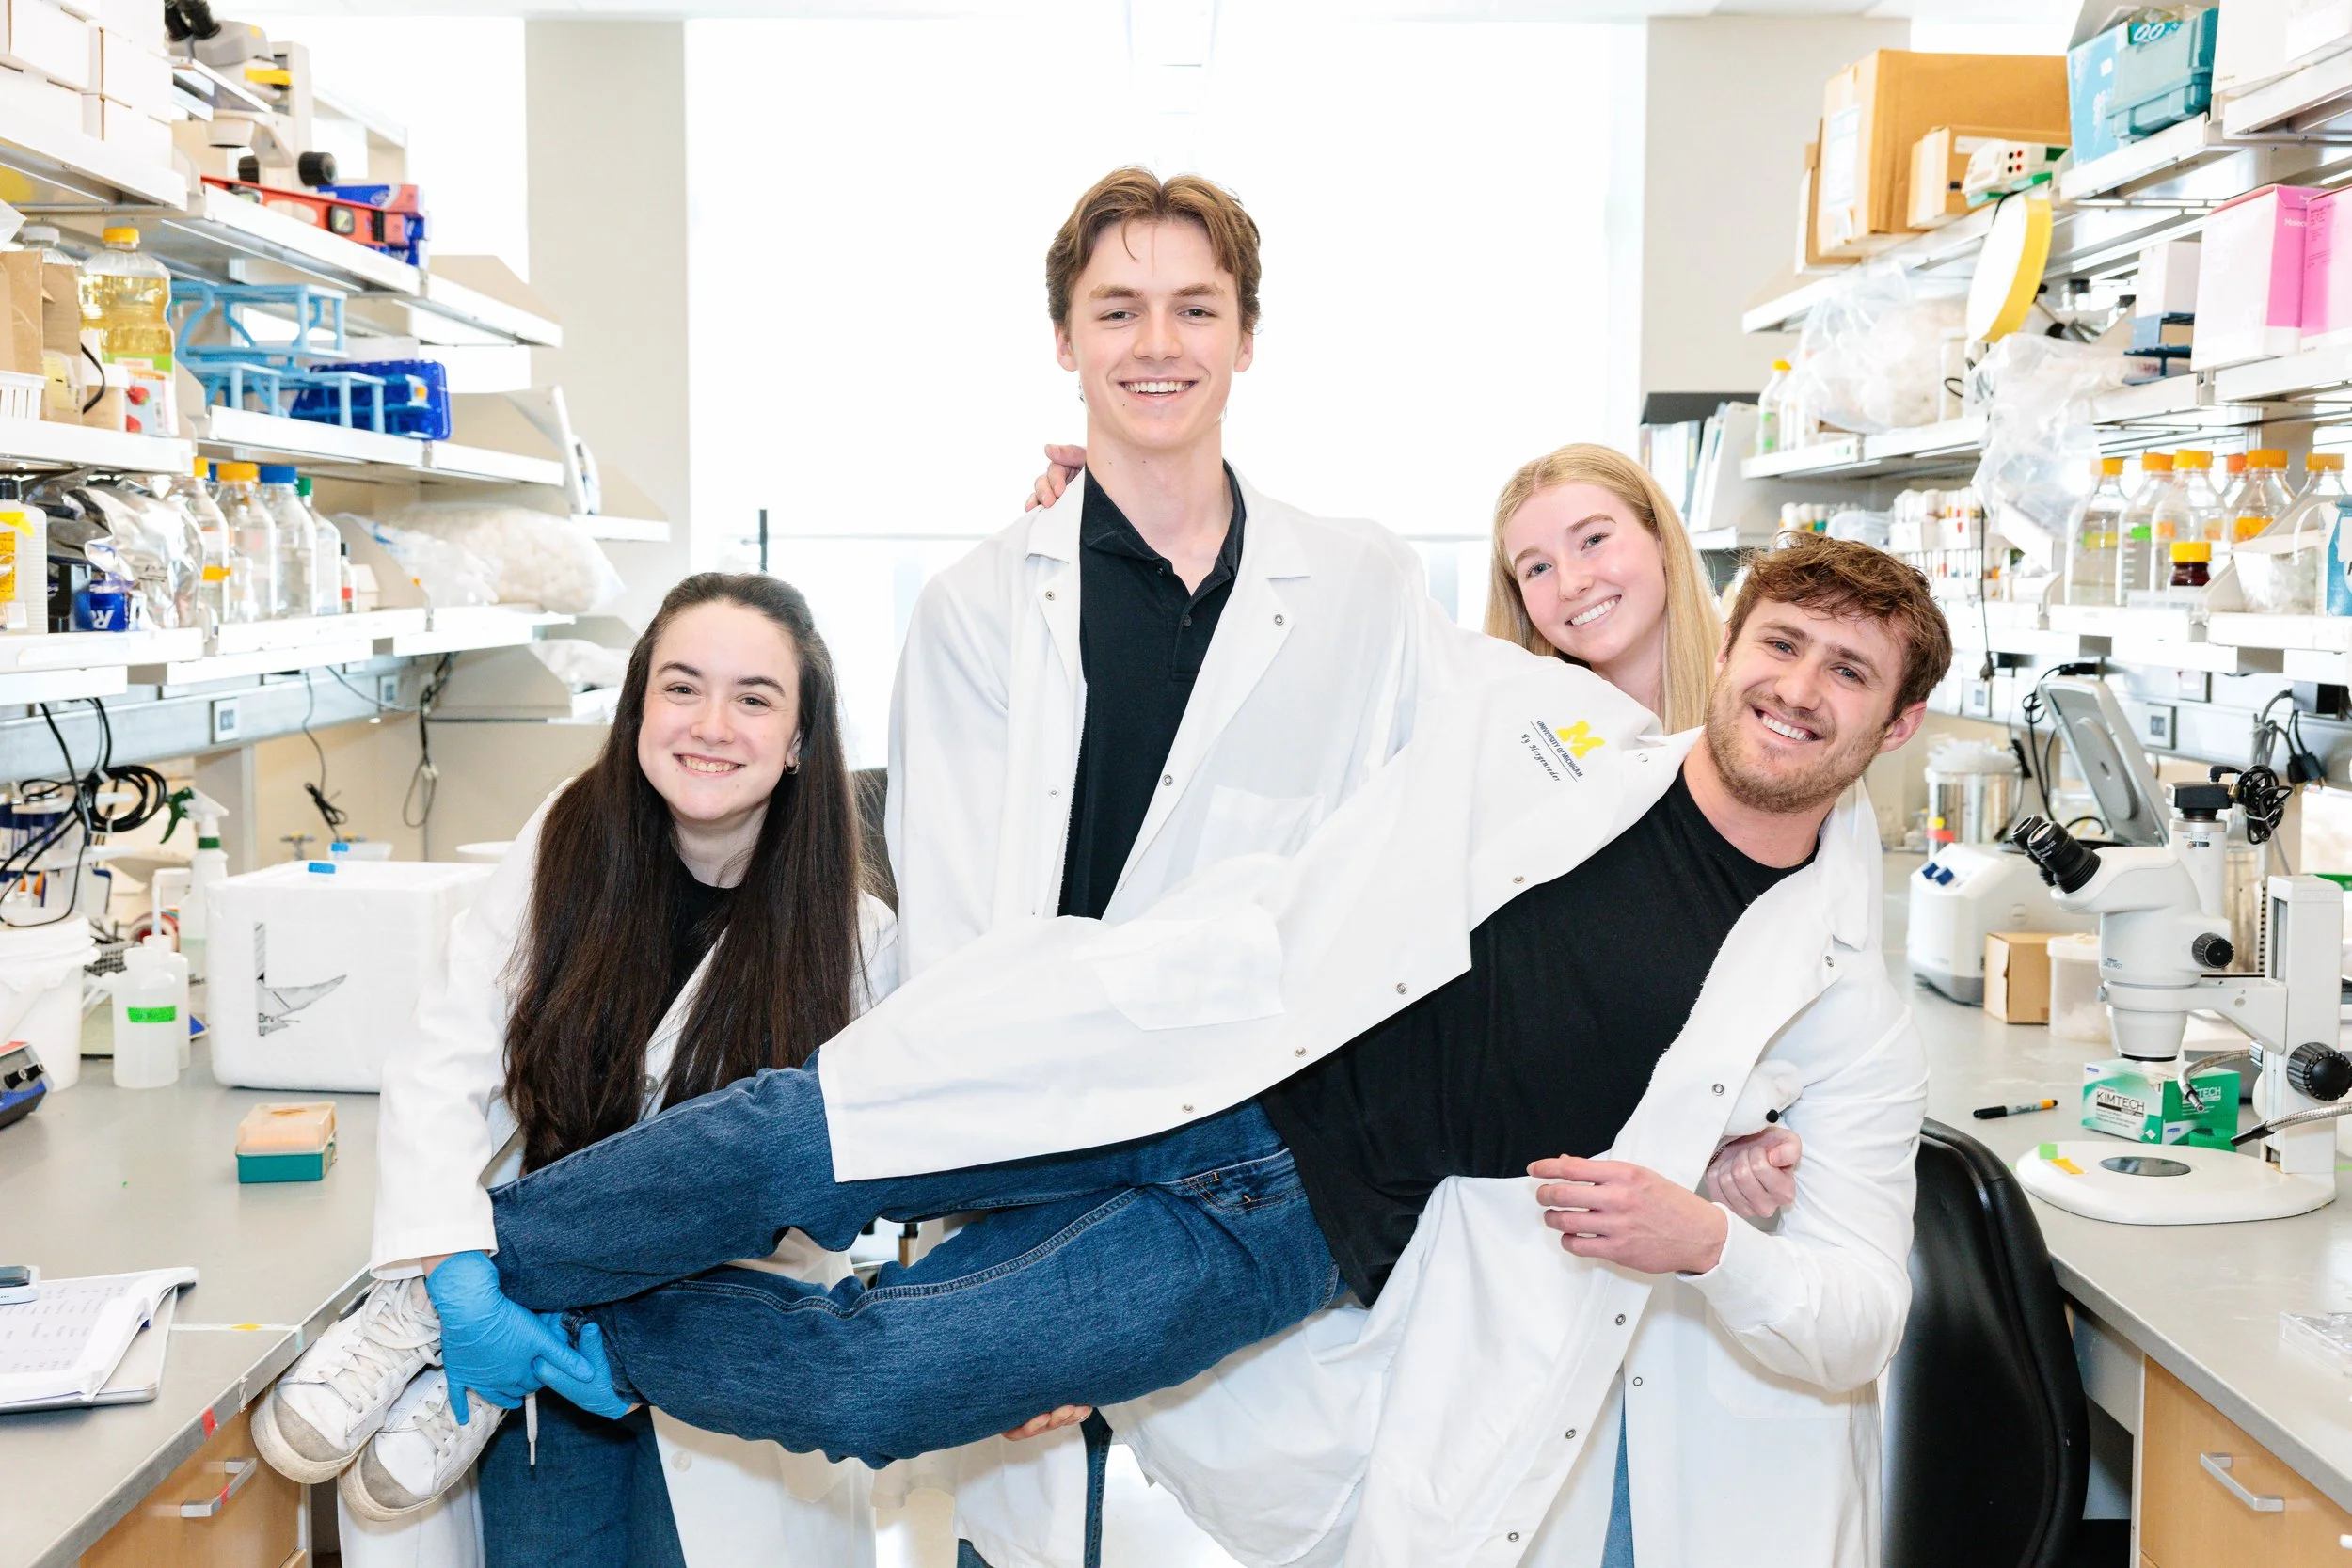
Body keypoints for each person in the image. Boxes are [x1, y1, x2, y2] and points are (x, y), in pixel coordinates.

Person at [462, 534, 1949, 1567]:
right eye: (1785, 643)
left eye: (1850, 673)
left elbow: (1858, 1311)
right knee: (813, 1137)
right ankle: (458, 1274)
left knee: (885, 1380)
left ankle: (534, 1315)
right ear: (1729, 643)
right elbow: (1318, 608)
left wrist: (1706, 1233)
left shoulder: (1843, 1005)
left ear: (1895, 725)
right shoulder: (1543, 724)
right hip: (1196, 1040)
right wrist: (1113, 499)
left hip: (1287, 1238)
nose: (1801, 688)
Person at [885, 166, 1431, 1567]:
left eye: (1196, 307)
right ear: (1063, 340)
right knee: (1016, 1535)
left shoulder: (1365, 583)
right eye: (1116, 308)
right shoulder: (973, 609)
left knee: (1301, 1521)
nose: (1157, 343)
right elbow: (953, 947)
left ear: (1249, 336)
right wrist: (1049, 1276)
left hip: (1270, 1173)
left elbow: (1406, 888)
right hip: (1038, 1166)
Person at [250, 574, 899, 1566]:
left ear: (803, 736)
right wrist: (457, 1269)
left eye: (755, 697)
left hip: (726, 1345)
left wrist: (658, 1334)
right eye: (681, 688)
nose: (711, 725)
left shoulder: (856, 939)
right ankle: (430, 1313)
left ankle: (435, 1309)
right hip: (538, 1357)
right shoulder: (569, 833)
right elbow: (447, 1050)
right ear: (638, 705)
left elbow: (842, 1186)